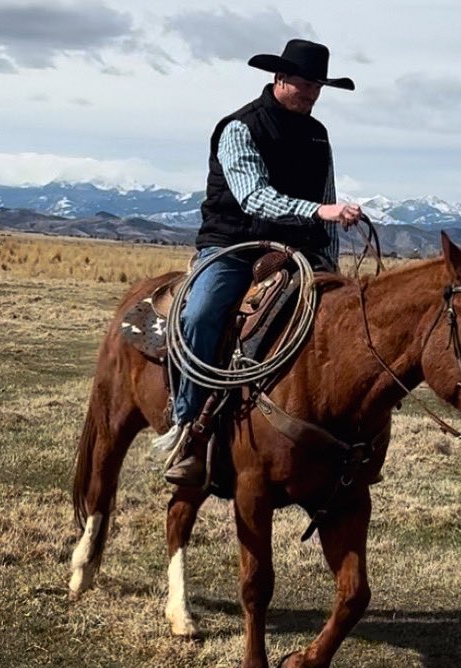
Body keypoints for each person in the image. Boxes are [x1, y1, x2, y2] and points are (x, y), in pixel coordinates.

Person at [160, 38, 363, 486]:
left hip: (299, 250)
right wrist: (318, 211)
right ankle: (186, 426)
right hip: (234, 245)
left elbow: (325, 196)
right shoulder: (240, 127)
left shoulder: (318, 134)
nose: (312, 92)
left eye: (319, 86)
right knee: (202, 313)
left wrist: (330, 262)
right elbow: (254, 198)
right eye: (306, 83)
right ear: (280, 78)